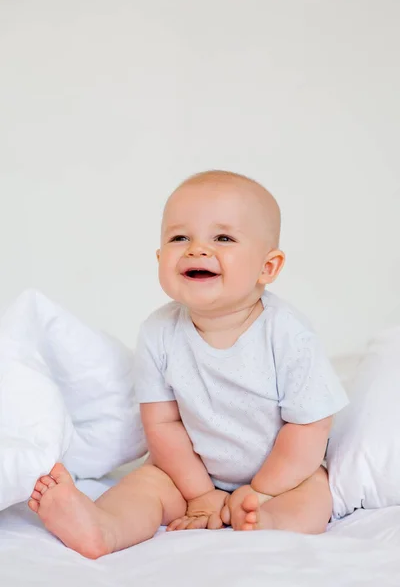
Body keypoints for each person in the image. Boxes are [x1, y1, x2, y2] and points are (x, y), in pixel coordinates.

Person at [28, 170, 348, 559]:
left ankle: (266, 523)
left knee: (315, 495)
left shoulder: (287, 334)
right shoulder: (158, 331)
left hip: (283, 474)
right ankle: (102, 527)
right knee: (145, 484)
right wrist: (200, 494)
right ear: (161, 258)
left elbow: (310, 425)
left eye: (223, 238)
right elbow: (162, 423)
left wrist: (263, 490)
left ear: (268, 267)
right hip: (191, 474)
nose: (197, 249)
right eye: (180, 237)